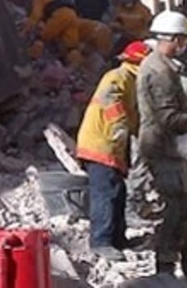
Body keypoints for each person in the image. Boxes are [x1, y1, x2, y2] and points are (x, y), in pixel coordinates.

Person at [136, 10, 187, 275]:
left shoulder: (162, 65)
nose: (184, 46)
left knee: (184, 207)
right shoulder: (159, 71)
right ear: (173, 39)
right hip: (162, 147)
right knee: (175, 209)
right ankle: (165, 266)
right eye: (182, 40)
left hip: (169, 146)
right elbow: (170, 118)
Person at [76, 41, 151, 261]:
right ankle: (101, 241)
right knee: (106, 193)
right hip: (101, 144)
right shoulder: (118, 77)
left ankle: (118, 238)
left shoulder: (132, 81)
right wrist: (121, 127)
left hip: (112, 146)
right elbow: (112, 102)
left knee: (118, 192)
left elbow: (134, 117)